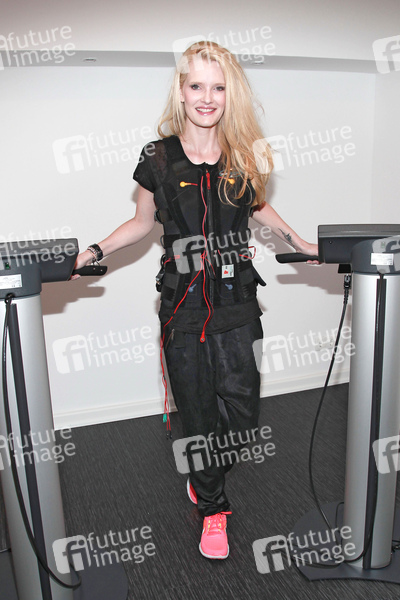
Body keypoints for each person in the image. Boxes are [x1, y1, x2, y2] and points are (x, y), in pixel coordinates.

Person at [72, 41, 318, 560]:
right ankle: (212, 508)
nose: (207, 97)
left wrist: (301, 243)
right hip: (182, 308)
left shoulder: (244, 154)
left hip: (237, 303)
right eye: (197, 85)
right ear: (181, 91)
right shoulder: (158, 158)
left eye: (218, 87)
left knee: (242, 417)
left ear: (231, 94)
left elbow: (259, 208)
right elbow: (141, 223)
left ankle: (206, 474)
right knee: (199, 415)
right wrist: (93, 250)